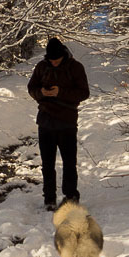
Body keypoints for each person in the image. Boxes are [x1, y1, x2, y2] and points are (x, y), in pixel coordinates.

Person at [27, 37, 90, 210]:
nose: (54, 62)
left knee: (69, 162)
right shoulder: (42, 66)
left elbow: (84, 93)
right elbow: (31, 88)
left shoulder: (75, 67)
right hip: (45, 121)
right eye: (51, 60)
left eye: (57, 60)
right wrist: (41, 93)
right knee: (47, 164)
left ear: (63, 55)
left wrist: (60, 93)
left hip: (67, 122)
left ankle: (70, 196)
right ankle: (49, 198)